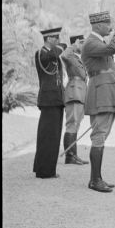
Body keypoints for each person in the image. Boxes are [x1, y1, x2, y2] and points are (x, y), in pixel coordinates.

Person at [82, 11, 115, 193]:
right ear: (99, 25)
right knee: (99, 136)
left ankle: (97, 178)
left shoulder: (98, 42)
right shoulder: (91, 43)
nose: (110, 27)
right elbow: (113, 48)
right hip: (101, 94)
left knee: (102, 135)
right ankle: (95, 180)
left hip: (107, 93)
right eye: (108, 24)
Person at [33, 27, 66, 179]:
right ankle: (44, 171)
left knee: (54, 136)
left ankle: (48, 169)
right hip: (48, 100)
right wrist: (62, 46)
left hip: (56, 99)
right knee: (47, 136)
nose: (58, 41)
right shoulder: (41, 54)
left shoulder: (53, 54)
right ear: (49, 39)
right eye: (55, 38)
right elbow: (54, 54)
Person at [60, 34, 89, 165]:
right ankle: (70, 156)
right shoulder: (70, 56)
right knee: (72, 124)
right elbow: (64, 55)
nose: (83, 45)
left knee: (75, 125)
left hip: (80, 93)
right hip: (74, 93)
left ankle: (74, 155)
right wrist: (73, 45)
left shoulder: (79, 59)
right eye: (81, 43)